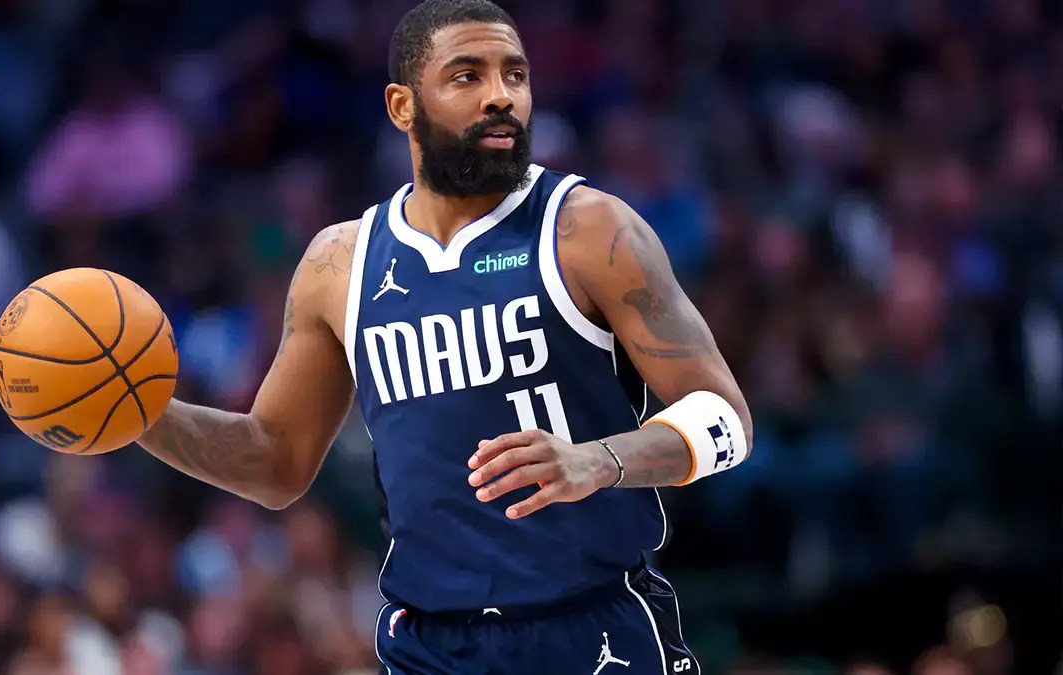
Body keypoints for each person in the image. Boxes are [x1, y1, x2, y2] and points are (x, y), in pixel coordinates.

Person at [136, 1, 753, 672]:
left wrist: (596, 459)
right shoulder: (339, 265)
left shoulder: (591, 230)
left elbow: (725, 420)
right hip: (433, 643)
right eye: (467, 76)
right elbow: (276, 462)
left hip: (592, 628)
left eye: (514, 75)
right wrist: (136, 416)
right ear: (403, 106)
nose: (500, 96)